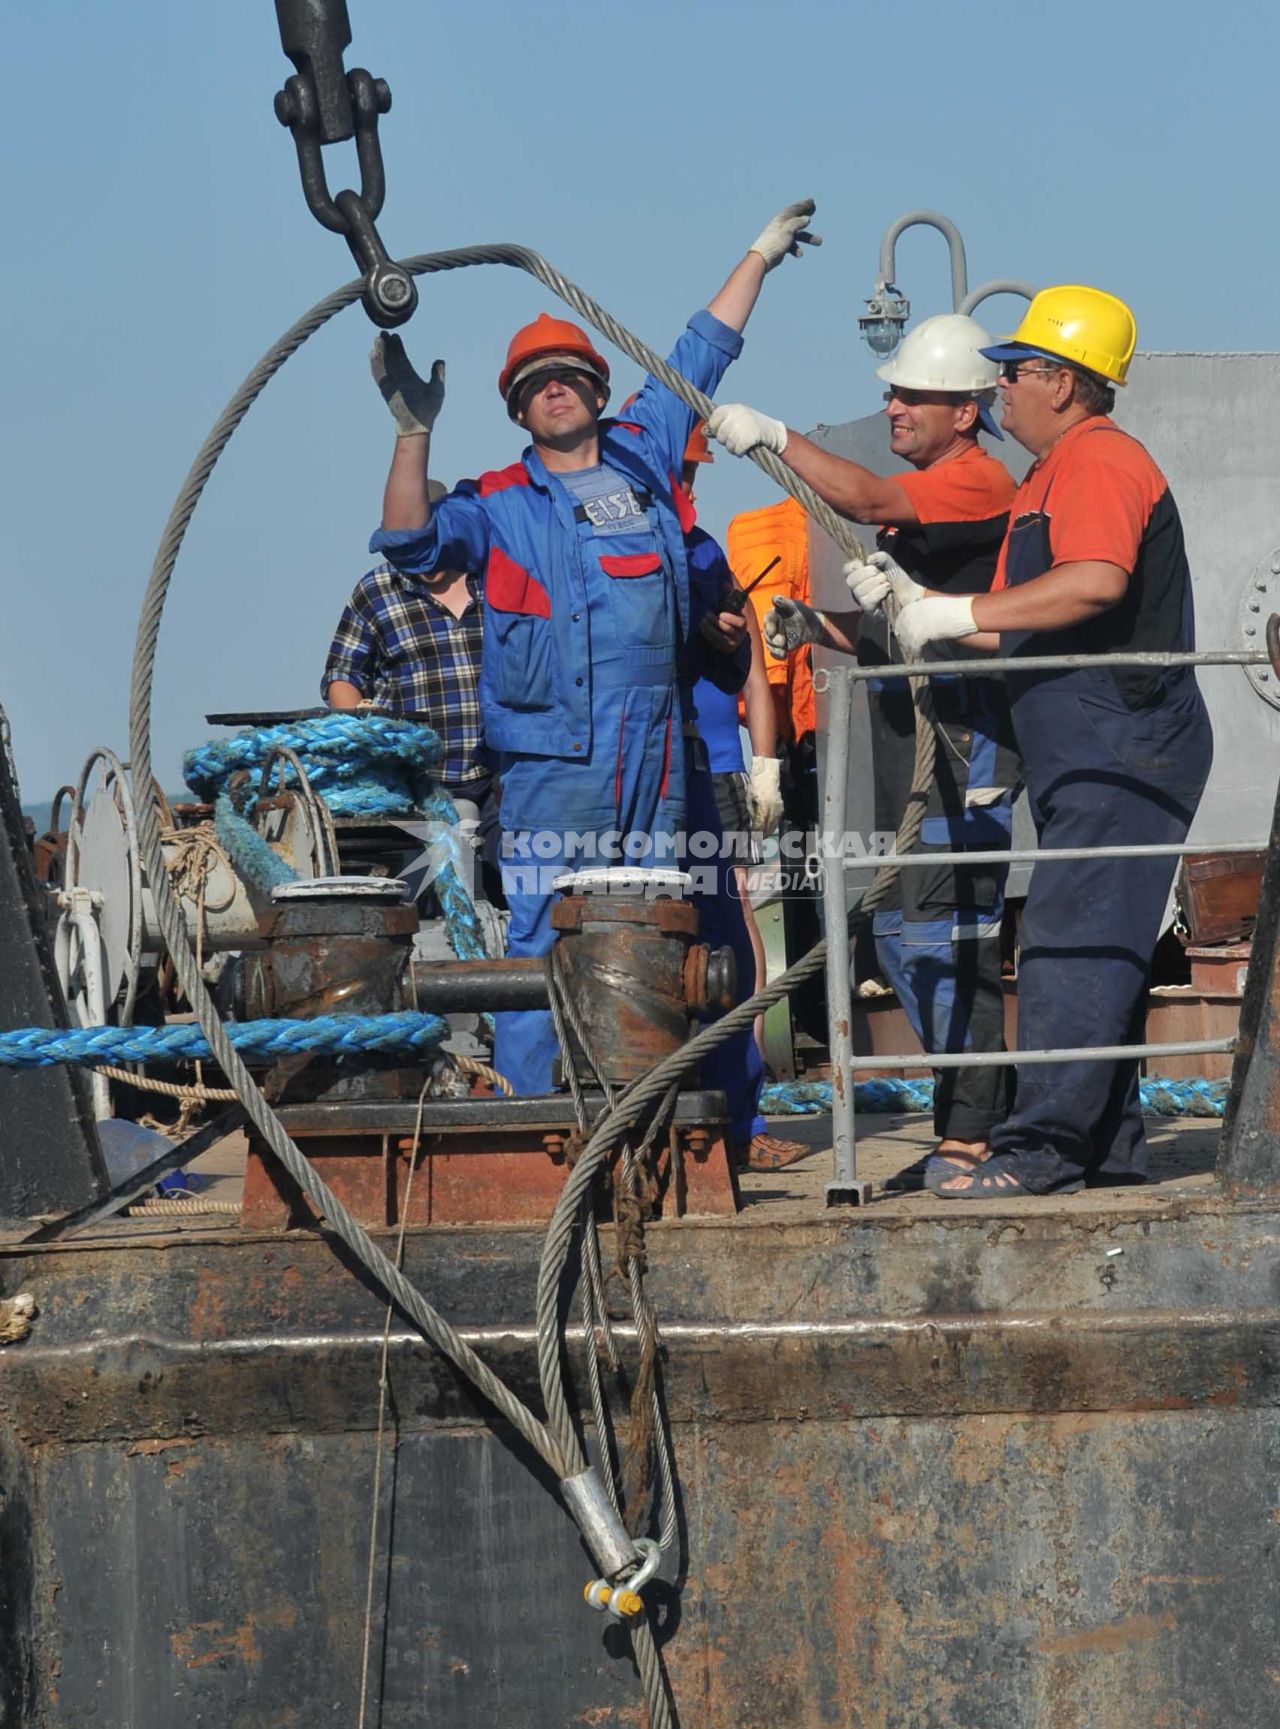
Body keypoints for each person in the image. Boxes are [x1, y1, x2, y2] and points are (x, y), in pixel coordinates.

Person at [367, 201, 820, 1093]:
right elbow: (411, 541)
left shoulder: (648, 452)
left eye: (569, 373)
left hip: (654, 766)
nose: (554, 386)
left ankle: (645, 1110)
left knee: (655, 932)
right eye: (536, 382)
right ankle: (542, 1123)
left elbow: (700, 349)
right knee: (543, 940)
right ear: (517, 408)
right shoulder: (493, 503)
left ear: (601, 390)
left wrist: (758, 257)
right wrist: (411, 431)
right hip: (550, 775)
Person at [875, 285, 1214, 1195]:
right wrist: (922, 615)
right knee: (1090, 940)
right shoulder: (1049, 476)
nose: (1001, 393)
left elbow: (1094, 583)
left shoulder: (1098, 462)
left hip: (1124, 735)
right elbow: (1026, 624)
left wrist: (960, 608)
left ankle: (1041, 1152)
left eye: (1016, 372)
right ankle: (1106, 1152)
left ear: (1064, 383)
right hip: (1093, 739)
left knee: (1072, 937)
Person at [707, 316, 1020, 1188]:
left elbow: (869, 503)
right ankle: (973, 1118)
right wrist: (820, 627)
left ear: (965, 411)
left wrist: (776, 436)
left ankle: (978, 1131)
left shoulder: (979, 480)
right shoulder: (944, 489)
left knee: (944, 933)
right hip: (907, 743)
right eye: (890, 391)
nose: (892, 406)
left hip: (967, 745)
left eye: (911, 393)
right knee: (898, 932)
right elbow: (900, 625)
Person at [680, 424, 807, 1170]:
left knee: (733, 934)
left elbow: (755, 669)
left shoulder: (706, 558)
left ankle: (744, 1119)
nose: (690, 487)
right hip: (636, 773)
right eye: (684, 472)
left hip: (716, 773)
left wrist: (765, 764)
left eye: (695, 475)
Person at [322, 481, 503, 888]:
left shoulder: (496, 579)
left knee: (516, 885)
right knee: (425, 895)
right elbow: (343, 674)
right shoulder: (377, 592)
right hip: (418, 782)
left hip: (501, 778)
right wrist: (359, 733)